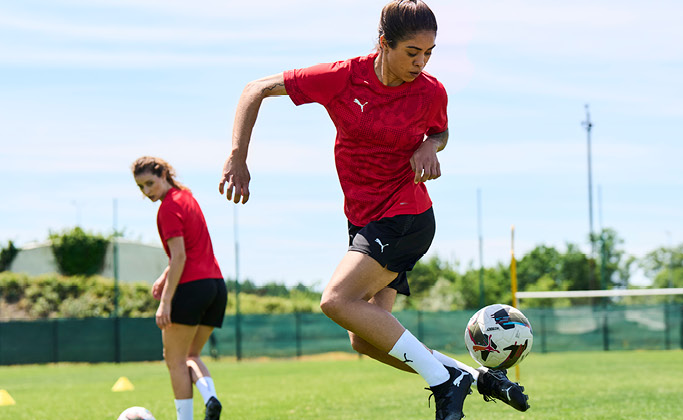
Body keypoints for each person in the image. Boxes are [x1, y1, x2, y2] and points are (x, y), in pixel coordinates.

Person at [218, 1, 526, 417]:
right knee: (365, 338)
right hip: (364, 219)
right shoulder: (342, 77)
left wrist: (430, 145)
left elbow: (441, 131)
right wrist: (237, 156)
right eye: (412, 52)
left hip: (406, 214)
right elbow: (254, 89)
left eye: (429, 53)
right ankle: (471, 377)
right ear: (384, 42)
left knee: (335, 300)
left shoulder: (431, 91)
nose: (421, 62)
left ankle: (443, 382)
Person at [134, 156, 226, 420]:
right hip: (216, 287)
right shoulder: (188, 198)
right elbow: (190, 250)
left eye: (150, 183)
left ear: (163, 175)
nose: (147, 191)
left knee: (174, 359)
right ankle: (211, 398)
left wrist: (165, 302)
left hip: (191, 288)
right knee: (190, 355)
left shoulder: (168, 208)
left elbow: (180, 257)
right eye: (141, 187)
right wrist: (165, 276)